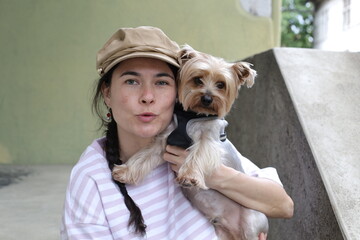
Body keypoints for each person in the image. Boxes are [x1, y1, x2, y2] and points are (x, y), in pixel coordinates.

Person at [61, 26, 293, 240]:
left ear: (176, 91)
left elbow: (283, 205)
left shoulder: (196, 141)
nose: (147, 96)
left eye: (162, 83)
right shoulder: (91, 180)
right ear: (107, 94)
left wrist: (215, 176)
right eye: (132, 81)